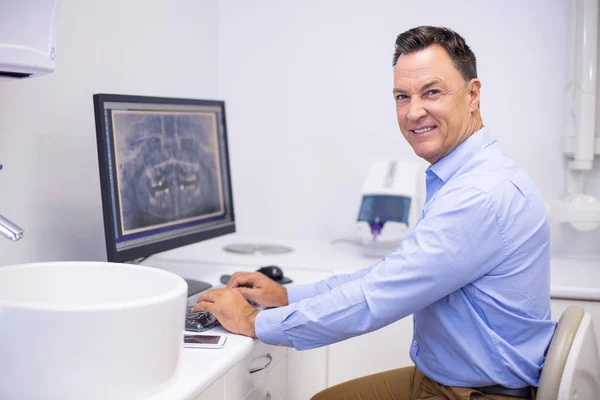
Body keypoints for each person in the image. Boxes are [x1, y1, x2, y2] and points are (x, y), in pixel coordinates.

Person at [193, 26, 556, 400]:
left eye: (432, 92)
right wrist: (287, 298)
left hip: (475, 394)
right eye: (403, 96)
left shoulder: (478, 195)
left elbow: (375, 299)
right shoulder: (468, 175)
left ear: (473, 94)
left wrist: (255, 321)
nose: (414, 112)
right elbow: (390, 275)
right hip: (450, 379)